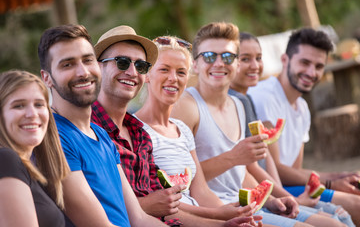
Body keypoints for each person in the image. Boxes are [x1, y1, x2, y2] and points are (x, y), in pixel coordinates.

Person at [171, 21, 344, 227]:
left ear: (236, 63)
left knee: (335, 224)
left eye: (227, 56)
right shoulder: (185, 107)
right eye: (209, 56)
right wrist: (233, 158)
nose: (219, 63)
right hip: (216, 211)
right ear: (195, 64)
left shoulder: (238, 104)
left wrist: (272, 199)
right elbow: (185, 181)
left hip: (249, 203)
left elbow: (240, 174)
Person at [91, 25, 263, 227]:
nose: (131, 71)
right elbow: (128, 209)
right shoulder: (91, 129)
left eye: (140, 66)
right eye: (122, 62)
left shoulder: (138, 134)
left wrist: (223, 218)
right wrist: (219, 219)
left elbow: (165, 206)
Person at [38, 24, 168, 227]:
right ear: (47, 78)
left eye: (87, 60)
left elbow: (139, 218)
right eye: (67, 65)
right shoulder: (52, 135)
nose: (82, 72)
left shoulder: (100, 133)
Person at [229, 32, 354, 226]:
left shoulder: (302, 107)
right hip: (270, 191)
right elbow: (275, 169)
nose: (312, 73)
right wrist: (330, 182)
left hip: (278, 189)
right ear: (284, 59)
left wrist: (338, 176)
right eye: (305, 63)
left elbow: (294, 169)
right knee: (347, 209)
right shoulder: (260, 98)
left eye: (319, 66)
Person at [0, 70, 71, 227]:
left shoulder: (36, 171)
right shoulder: (5, 159)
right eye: (19, 106)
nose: (32, 114)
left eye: (39, 104)